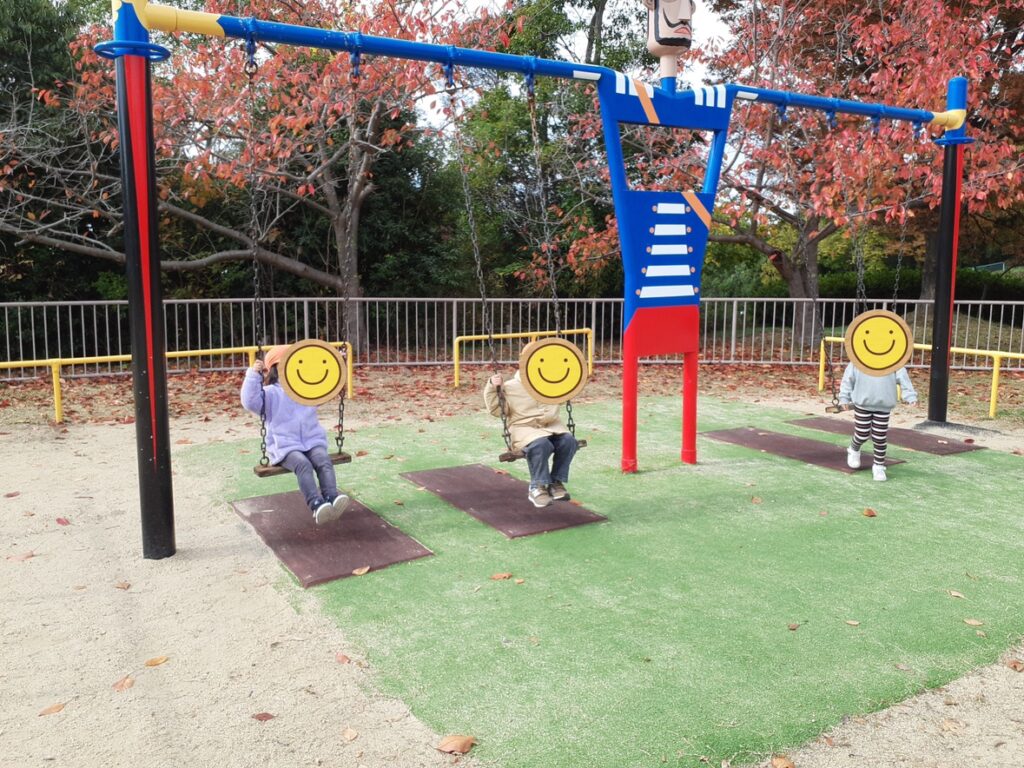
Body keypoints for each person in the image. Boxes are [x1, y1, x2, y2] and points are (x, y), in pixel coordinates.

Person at [241, 345, 350, 524]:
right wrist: (253, 375)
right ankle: (316, 504)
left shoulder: (306, 390)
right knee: (303, 465)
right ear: (276, 369)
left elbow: (328, 389)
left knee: (323, 460)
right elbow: (250, 402)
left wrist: (338, 362)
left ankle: (332, 497)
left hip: (311, 440)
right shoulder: (270, 393)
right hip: (285, 446)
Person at [484, 371, 578, 508]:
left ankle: (555, 482)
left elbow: (564, 395)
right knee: (541, 444)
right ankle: (536, 487)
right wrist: (493, 387)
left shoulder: (550, 383)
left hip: (552, 425)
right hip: (523, 427)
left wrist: (570, 378)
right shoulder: (510, 387)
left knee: (568, 441)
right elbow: (497, 410)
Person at [838, 364, 918, 482]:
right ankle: (854, 449)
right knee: (862, 433)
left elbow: (903, 378)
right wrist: (844, 397)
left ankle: (878, 466)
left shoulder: (893, 362)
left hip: (883, 405)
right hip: (862, 403)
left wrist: (910, 396)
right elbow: (848, 379)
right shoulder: (858, 360)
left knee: (879, 437)